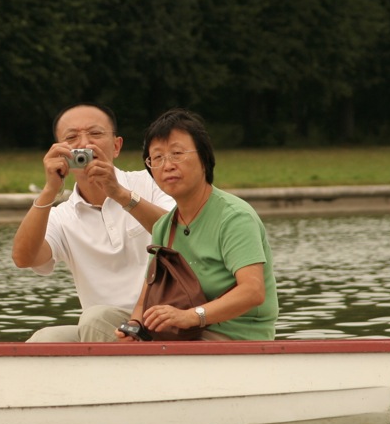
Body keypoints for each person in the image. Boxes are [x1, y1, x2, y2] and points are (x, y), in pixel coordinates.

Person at [11, 103, 175, 341]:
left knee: (94, 318)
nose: (85, 144)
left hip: (163, 320)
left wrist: (118, 193)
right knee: (44, 340)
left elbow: (179, 233)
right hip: (102, 330)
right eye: (71, 137)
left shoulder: (151, 183)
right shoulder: (62, 215)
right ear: (58, 151)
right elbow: (23, 258)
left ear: (116, 146)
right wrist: (49, 190)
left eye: (96, 134)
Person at [118, 108, 278, 341]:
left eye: (177, 153)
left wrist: (192, 316)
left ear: (204, 158)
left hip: (234, 339)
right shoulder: (164, 225)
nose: (167, 165)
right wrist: (134, 327)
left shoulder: (234, 217)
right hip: (179, 333)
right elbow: (146, 298)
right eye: (157, 157)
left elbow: (252, 292)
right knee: (96, 320)